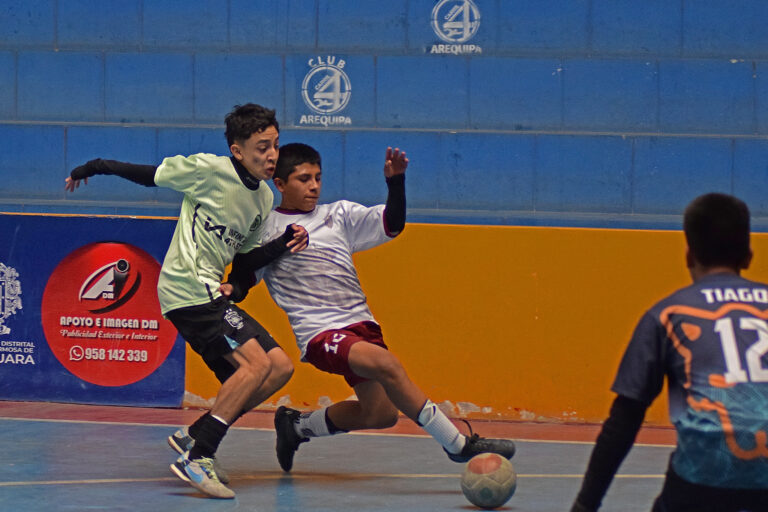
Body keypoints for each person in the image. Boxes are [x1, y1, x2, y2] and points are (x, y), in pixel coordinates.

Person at [222, 142, 516, 473]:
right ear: (280, 184)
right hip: (321, 333)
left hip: (361, 327)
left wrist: (396, 182)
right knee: (386, 364)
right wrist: (231, 290)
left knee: (380, 414)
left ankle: (295, 427)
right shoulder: (267, 230)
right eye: (304, 179)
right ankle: (457, 444)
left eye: (318, 177)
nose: (314, 186)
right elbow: (245, 278)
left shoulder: (339, 215)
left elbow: (392, 223)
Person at [65, 103, 308, 499]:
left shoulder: (263, 198)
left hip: (212, 290)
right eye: (262, 147)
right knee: (255, 364)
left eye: (275, 146)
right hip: (186, 287)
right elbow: (149, 176)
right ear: (237, 150)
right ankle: (199, 456)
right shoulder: (210, 171)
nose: (271, 155)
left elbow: (244, 261)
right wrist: (94, 166)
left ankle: (196, 433)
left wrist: (281, 245)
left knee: (278, 368)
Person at [571, 193, 768, 512]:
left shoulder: (667, 314)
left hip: (701, 481)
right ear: (748, 255)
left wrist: (584, 505)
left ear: (689, 255)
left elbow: (623, 421)